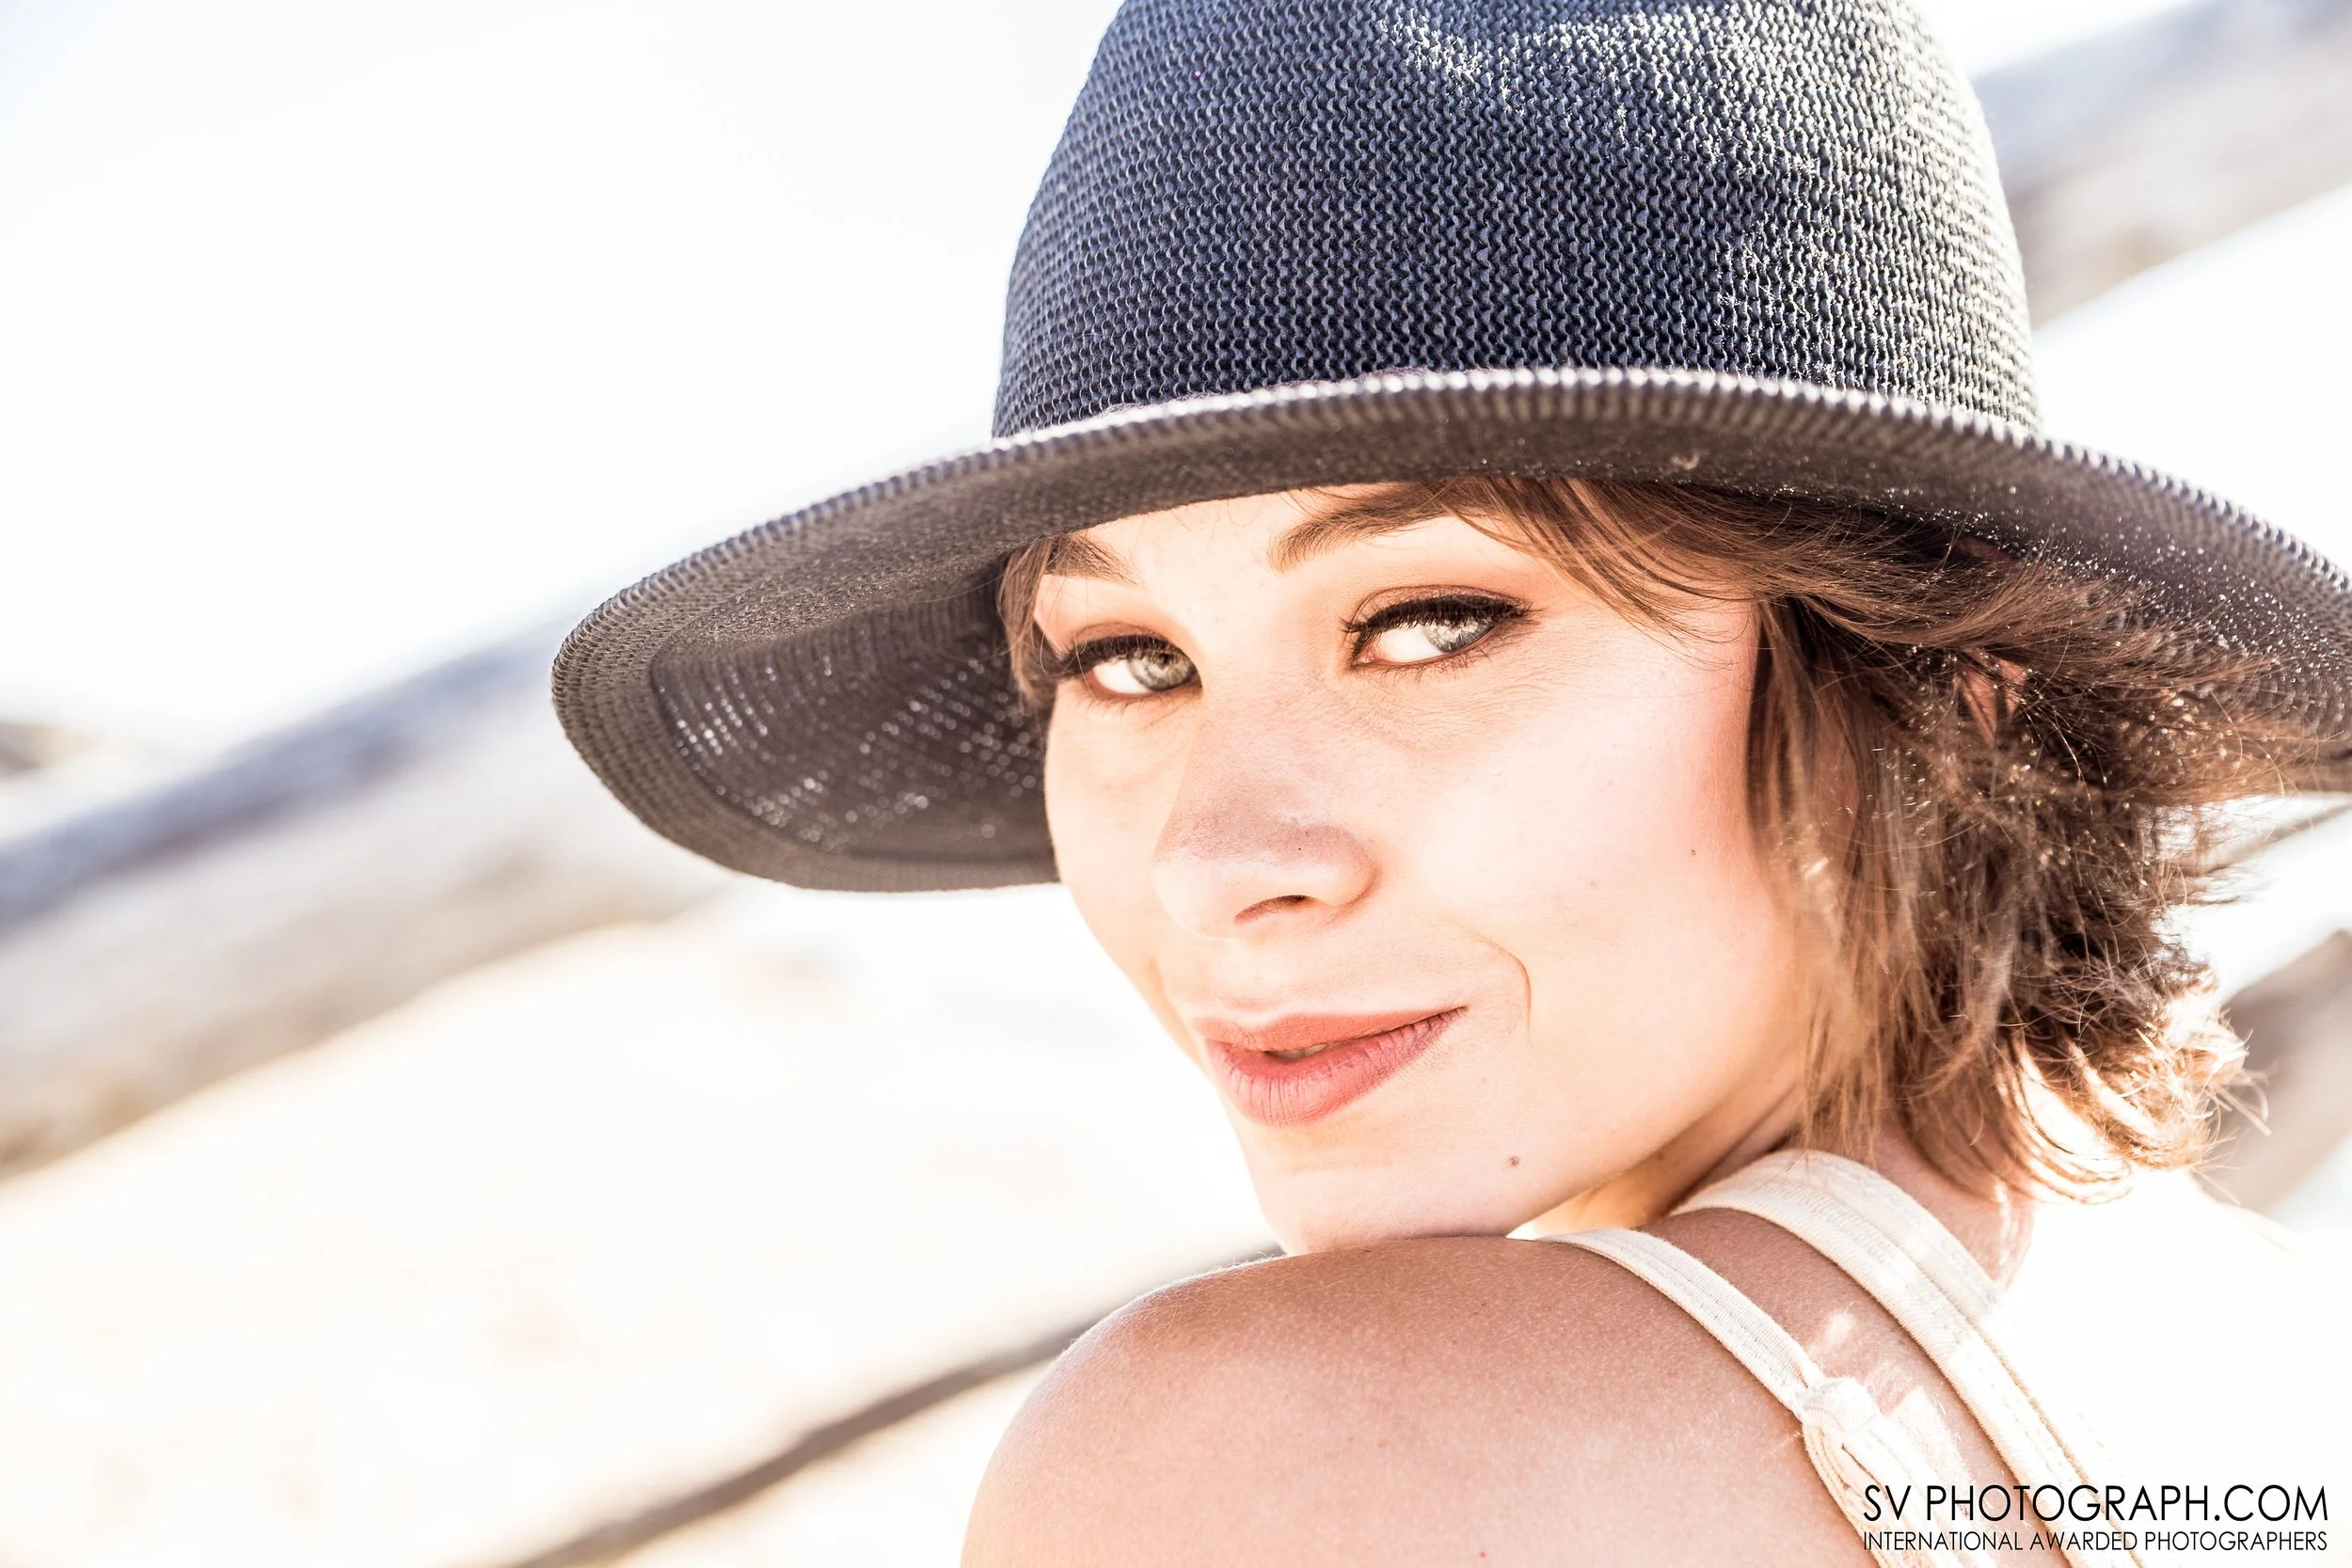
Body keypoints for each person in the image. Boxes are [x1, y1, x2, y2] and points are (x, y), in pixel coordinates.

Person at [556, 1, 2352, 1562]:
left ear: (1944, 676)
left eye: (1427, 623)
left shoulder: (1258, 1466)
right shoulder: (2279, 1378)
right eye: (1128, 658)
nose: (1216, 862)